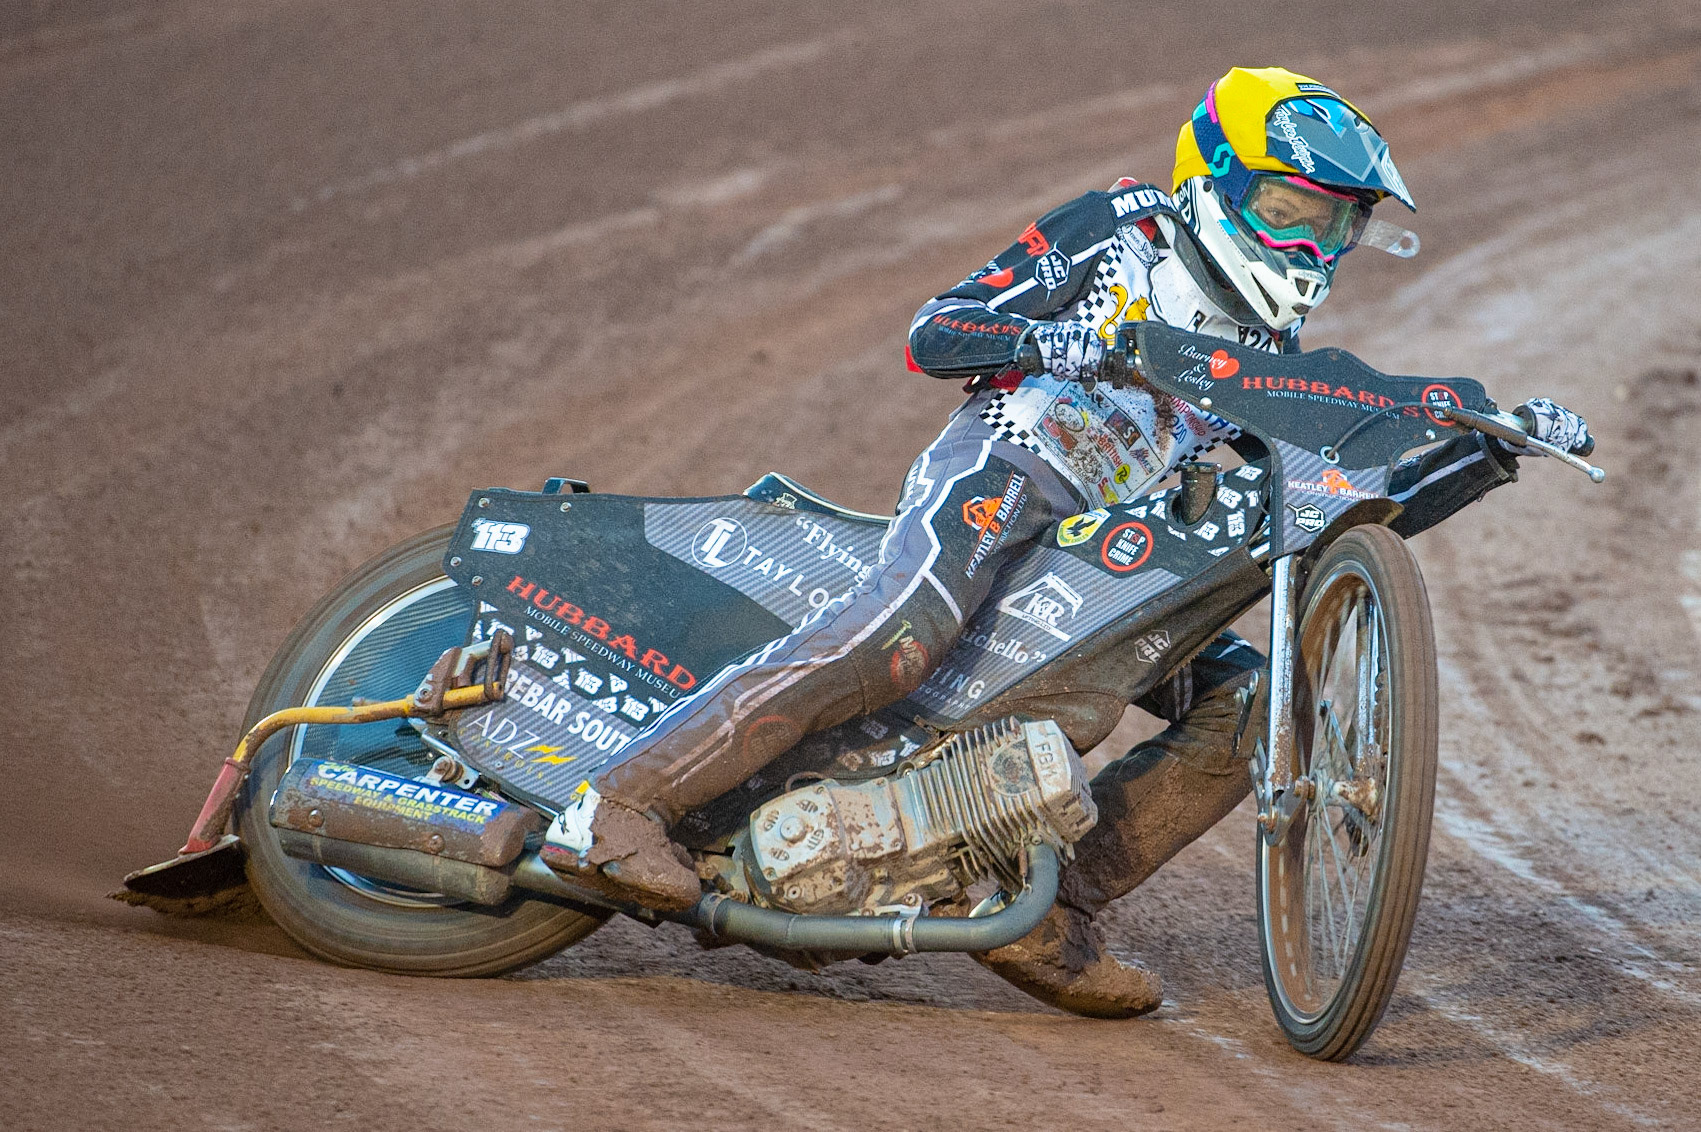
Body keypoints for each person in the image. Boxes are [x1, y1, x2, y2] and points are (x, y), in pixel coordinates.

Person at [542, 67, 1593, 1016]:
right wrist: (1046, 338)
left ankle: (1046, 905)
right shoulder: (1122, 229)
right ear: (1218, 178)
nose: (1312, 247)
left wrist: (1489, 446)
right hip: (1005, 465)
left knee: (1257, 706)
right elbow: (934, 330)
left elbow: (1307, 480)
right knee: (901, 632)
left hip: (1103, 537)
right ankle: (619, 804)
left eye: (1336, 226)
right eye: (1290, 210)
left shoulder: (1268, 342)